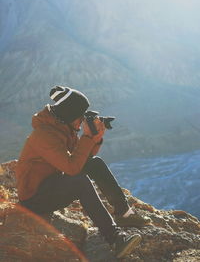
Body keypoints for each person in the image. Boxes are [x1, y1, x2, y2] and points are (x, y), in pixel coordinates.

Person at [16, 85, 150, 259]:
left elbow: (82, 159)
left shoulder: (64, 127)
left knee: (95, 164)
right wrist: (87, 137)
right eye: (80, 116)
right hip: (34, 199)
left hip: (52, 183)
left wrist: (96, 137)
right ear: (68, 115)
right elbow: (72, 169)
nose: (82, 119)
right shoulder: (44, 135)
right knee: (80, 182)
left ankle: (124, 213)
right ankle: (115, 239)